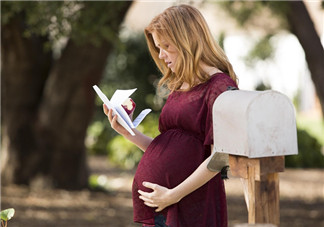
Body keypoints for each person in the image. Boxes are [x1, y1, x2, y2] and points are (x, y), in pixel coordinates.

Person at [103, 4, 238, 227]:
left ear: (188, 40)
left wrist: (174, 194)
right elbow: (173, 149)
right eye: (158, 47)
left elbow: (220, 157)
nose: (161, 54)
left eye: (166, 45)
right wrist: (128, 132)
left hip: (190, 203)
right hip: (163, 205)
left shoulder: (220, 86)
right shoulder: (180, 85)